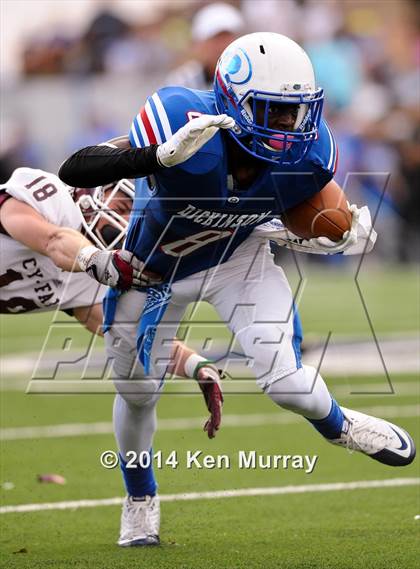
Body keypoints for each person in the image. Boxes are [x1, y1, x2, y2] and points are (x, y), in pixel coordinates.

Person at [59, 32, 416, 548]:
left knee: (287, 383)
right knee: (136, 393)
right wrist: (157, 158)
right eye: (274, 112)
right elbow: (77, 168)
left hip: (236, 259)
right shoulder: (182, 118)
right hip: (156, 268)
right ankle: (140, 498)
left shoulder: (309, 153)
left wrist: (334, 234)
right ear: (230, 96)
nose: (290, 127)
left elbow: (311, 213)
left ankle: (341, 426)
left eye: (297, 113)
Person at [1, 113, 234, 433]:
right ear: (98, 193)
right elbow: (54, 241)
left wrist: (199, 369)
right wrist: (96, 259)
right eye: (125, 208)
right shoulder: (51, 198)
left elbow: (137, 334)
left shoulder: (89, 277)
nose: (128, 222)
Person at [165, 2, 245, 90]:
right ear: (200, 44)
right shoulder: (181, 81)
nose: (222, 45)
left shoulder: (250, 75)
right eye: (216, 39)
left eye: (227, 37)